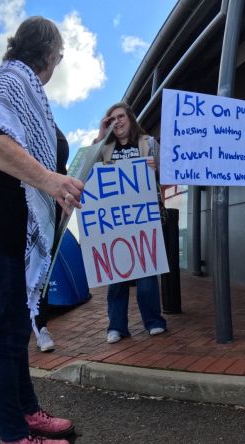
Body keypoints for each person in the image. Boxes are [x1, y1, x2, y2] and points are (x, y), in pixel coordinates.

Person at [0, 16, 83, 444]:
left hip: (13, 232)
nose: (59, 62)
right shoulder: (7, 80)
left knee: (17, 329)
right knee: (4, 334)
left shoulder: (28, 92)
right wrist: (50, 180)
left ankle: (27, 412)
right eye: (59, 54)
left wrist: (52, 190)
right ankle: (13, 439)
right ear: (50, 53)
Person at [93, 102, 167, 344]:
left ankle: (154, 322)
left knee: (146, 274)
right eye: (112, 119)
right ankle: (117, 327)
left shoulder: (148, 143)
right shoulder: (105, 149)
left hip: (143, 218)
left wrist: (157, 169)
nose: (118, 122)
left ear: (130, 118)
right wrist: (100, 135)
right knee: (116, 276)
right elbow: (88, 170)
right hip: (116, 221)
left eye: (121, 116)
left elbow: (167, 173)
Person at [31, 125, 70, 352]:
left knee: (42, 268)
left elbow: (62, 170)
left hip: (50, 208)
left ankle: (40, 325)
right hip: (19, 206)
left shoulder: (48, 122)